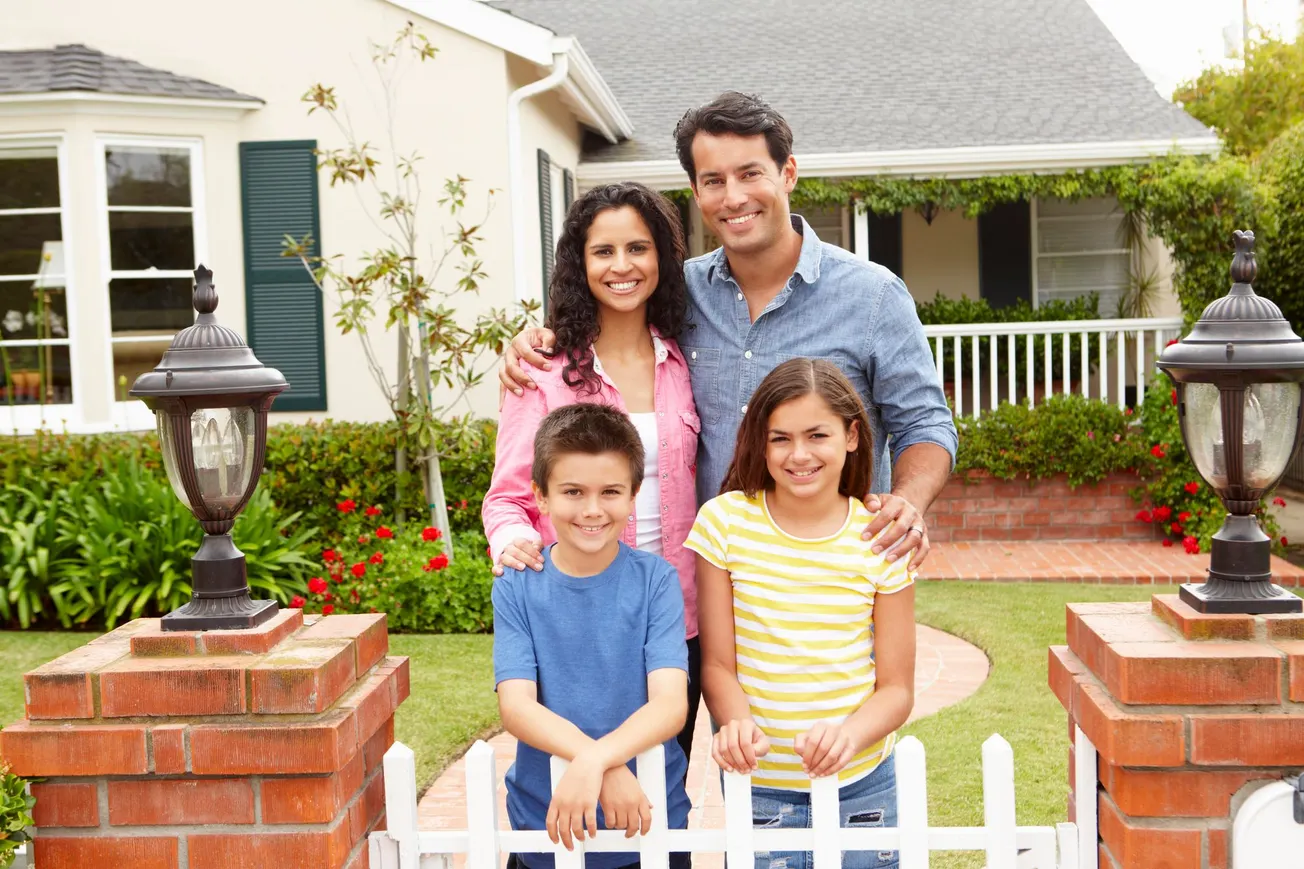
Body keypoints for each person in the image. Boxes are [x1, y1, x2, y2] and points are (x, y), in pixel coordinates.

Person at [499, 91, 957, 572]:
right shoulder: (676, 292)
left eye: (750, 173)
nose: (733, 197)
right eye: (713, 180)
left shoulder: (873, 296)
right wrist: (538, 341)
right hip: (711, 582)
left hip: (831, 579)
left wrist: (907, 501)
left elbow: (925, 424)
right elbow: (606, 317)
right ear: (696, 193)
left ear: (788, 173)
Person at [482, 181, 704, 764]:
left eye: (638, 248)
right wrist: (515, 547)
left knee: (660, 793)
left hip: (677, 615)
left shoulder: (686, 359)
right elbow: (507, 498)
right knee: (573, 790)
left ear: (662, 256)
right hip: (579, 621)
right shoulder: (543, 371)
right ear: (580, 264)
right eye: (603, 251)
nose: (622, 266)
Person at [686, 358, 915, 869]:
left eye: (817, 435)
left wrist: (849, 737)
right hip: (762, 787)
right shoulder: (723, 524)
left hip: (862, 784)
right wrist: (738, 724)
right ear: (760, 443)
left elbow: (897, 689)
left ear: (852, 435)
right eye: (780, 439)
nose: (800, 455)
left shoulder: (880, 538)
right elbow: (718, 665)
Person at [493, 403, 693, 869]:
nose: (592, 509)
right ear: (540, 496)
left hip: (648, 817)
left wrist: (593, 762)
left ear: (633, 495)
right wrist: (597, 762)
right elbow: (517, 706)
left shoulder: (656, 581)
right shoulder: (517, 585)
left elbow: (670, 704)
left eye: (610, 492)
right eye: (572, 491)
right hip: (546, 822)